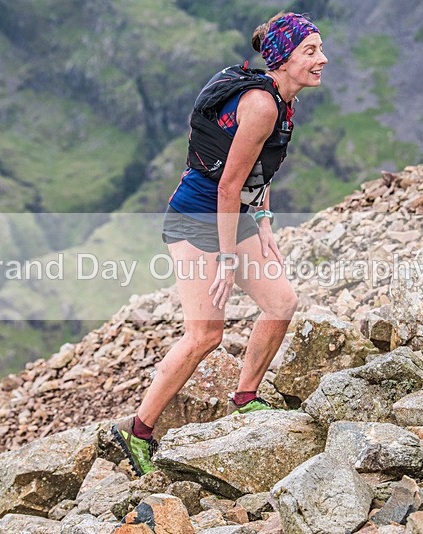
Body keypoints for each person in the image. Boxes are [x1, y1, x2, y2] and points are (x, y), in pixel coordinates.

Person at [112, 12, 328, 476]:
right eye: (310, 51)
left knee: (281, 302)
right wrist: (228, 262)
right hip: (195, 220)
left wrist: (265, 221)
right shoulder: (262, 105)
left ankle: (246, 397)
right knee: (206, 333)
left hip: (232, 216)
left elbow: (255, 168)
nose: (322, 59)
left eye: (319, 48)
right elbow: (229, 186)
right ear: (284, 59)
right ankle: (137, 430)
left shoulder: (283, 101)